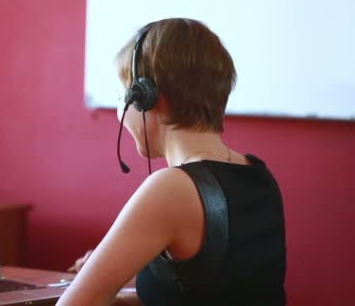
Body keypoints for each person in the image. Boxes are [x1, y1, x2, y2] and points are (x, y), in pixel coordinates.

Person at [58, 18, 286, 305]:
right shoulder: (259, 175)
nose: (121, 111)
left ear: (149, 99)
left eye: (122, 96)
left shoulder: (171, 188)